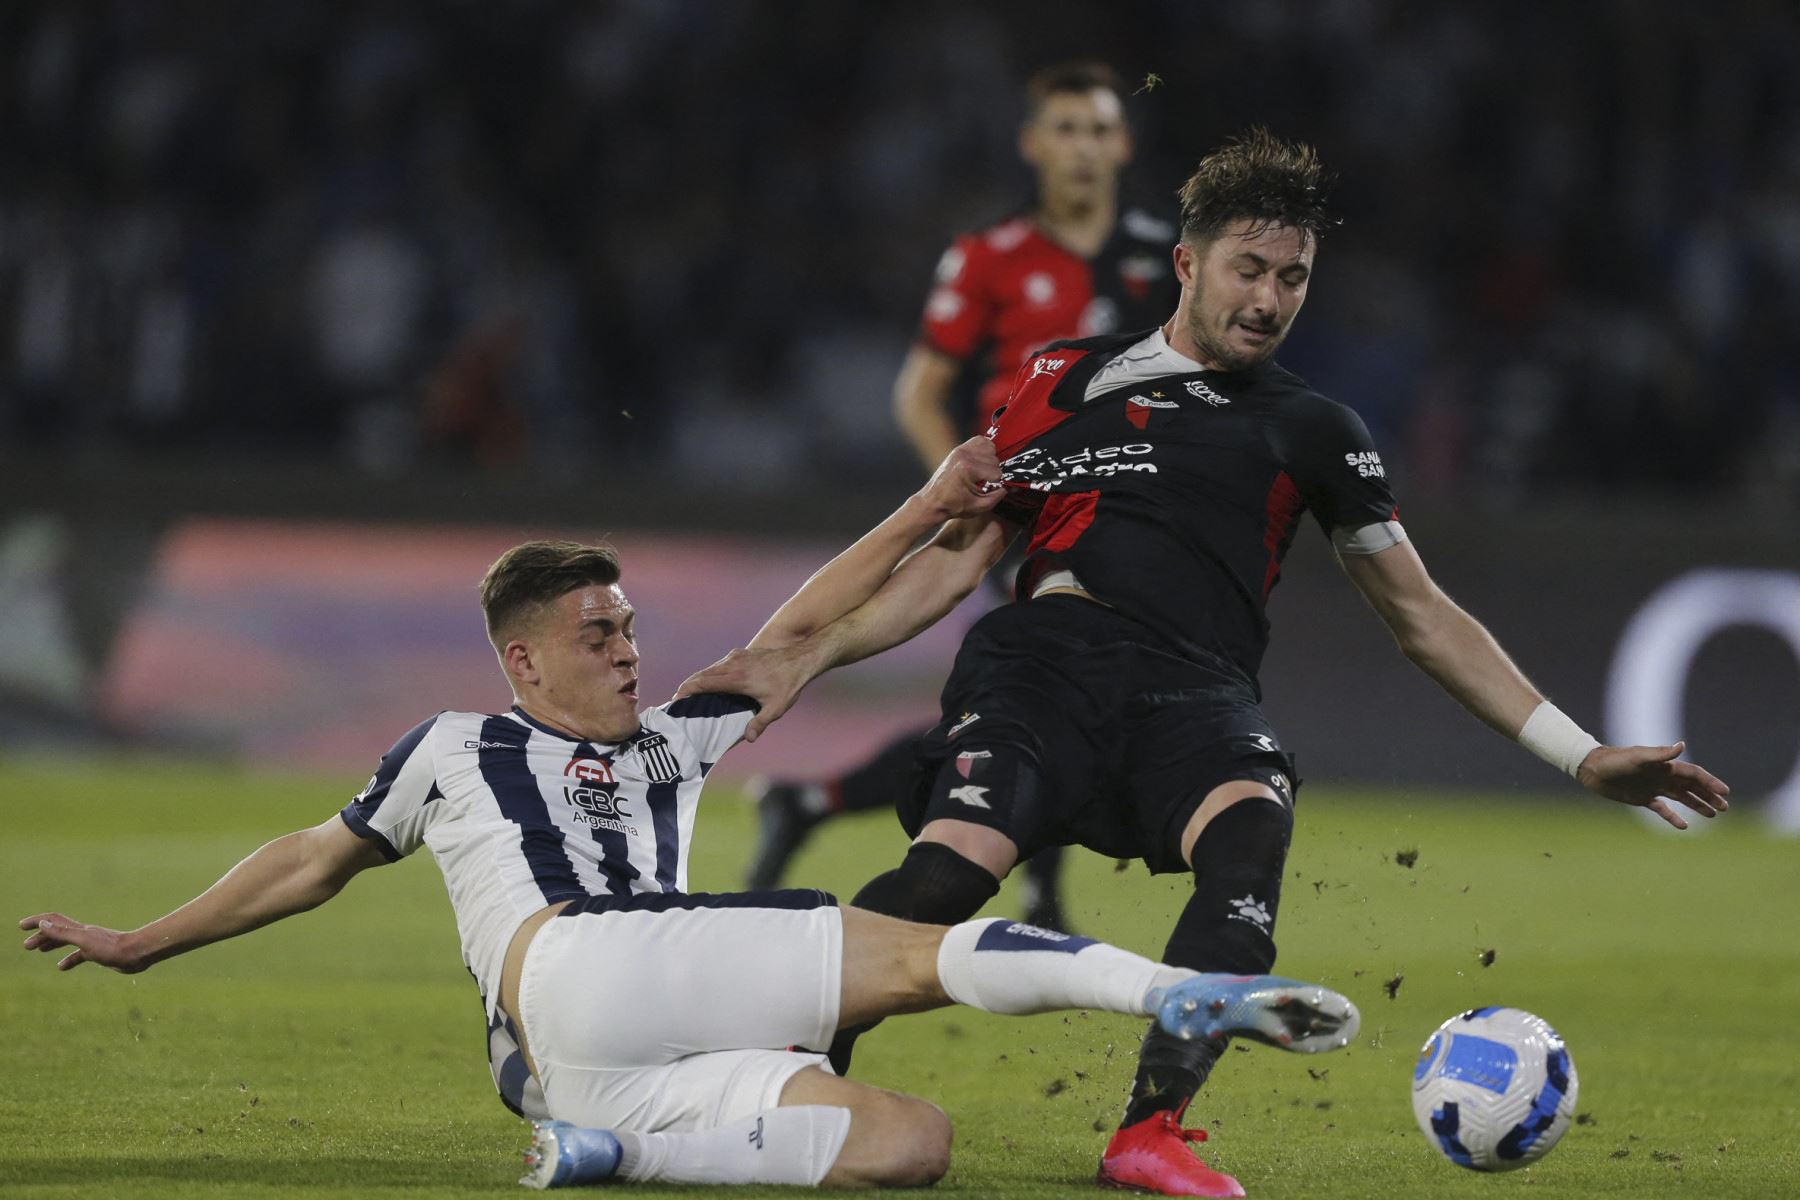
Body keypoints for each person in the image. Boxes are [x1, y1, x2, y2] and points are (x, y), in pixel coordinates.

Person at [677, 129, 1733, 1198]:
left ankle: (1150, 1130)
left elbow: (1423, 615)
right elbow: (953, 560)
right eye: (1249, 269)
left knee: (1250, 830)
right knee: (948, 873)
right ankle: (777, 1074)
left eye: (1293, 278)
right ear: (1188, 263)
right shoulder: (1062, 377)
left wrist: (1581, 754)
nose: (1269, 300)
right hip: (1044, 667)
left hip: (1194, 690)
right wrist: (799, 657)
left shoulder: (1315, 429)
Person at [17, 443, 1362, 1191]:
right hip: (573, 962)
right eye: (596, 635)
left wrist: (928, 509)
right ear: (522, 660)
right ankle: (1180, 994)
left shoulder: (673, 739)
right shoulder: (456, 747)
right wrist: (146, 941)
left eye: (629, 626)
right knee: (913, 953)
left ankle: (616, 1156)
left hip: (594, 1067)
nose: (627, 651)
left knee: (910, 1145)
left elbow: (799, 632)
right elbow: (312, 860)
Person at [746, 61, 1182, 935]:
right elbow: (920, 391)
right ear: (1032, 144)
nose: (1083, 147)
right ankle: (1033, 890)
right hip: (1022, 515)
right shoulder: (989, 256)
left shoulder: (1167, 254)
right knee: (1058, 691)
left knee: (1050, 699)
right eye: (1066, 129)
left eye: (1099, 129)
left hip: (1121, 508)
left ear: (1123, 145)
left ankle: (814, 801)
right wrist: (964, 492)